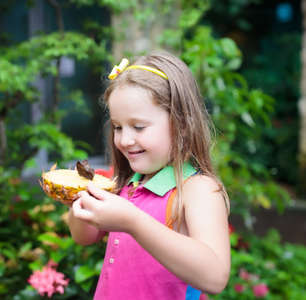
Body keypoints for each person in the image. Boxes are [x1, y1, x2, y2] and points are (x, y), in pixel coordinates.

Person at [67, 51, 230, 300]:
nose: (124, 139)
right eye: (118, 127)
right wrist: (78, 199)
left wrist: (132, 221)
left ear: (182, 126)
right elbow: (84, 237)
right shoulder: (128, 184)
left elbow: (215, 277)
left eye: (139, 127)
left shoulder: (198, 189)